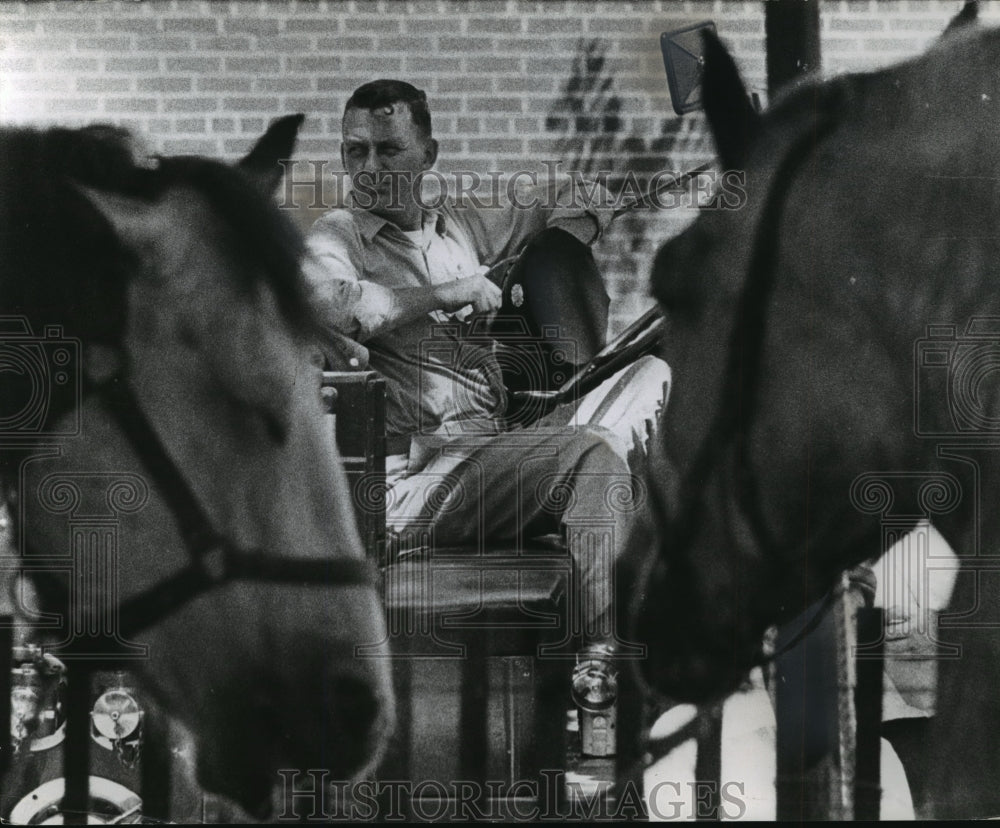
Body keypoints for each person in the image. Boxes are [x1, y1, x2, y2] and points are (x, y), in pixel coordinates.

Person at [304, 79, 671, 661]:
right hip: (411, 483)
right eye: (355, 150)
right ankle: (605, 665)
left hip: (493, 453)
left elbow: (579, 191)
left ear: (429, 154)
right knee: (593, 456)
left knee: (650, 374)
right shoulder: (339, 235)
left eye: (388, 149)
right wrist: (454, 290)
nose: (368, 167)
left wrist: (561, 244)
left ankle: (610, 589)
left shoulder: (461, 227)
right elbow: (343, 308)